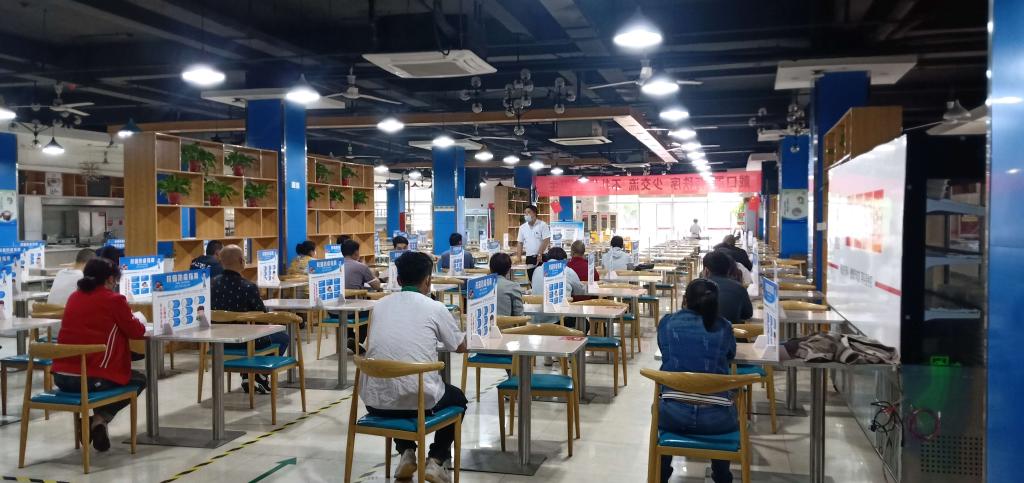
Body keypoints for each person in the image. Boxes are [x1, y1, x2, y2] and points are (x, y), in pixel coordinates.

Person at [362, 251, 467, 483]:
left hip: (374, 402)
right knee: (458, 399)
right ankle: (436, 460)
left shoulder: (379, 306)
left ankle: (407, 452)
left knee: (396, 389)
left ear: (398, 280)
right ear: (428, 280)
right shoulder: (435, 307)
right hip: (420, 404)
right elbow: (459, 346)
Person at [53, 258, 147, 452]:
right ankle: (98, 419)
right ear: (111, 279)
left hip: (61, 377)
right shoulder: (114, 300)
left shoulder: (74, 297)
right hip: (90, 379)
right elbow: (136, 331)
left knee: (102, 374)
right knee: (138, 380)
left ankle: (98, 424)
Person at [657, 278, 738, 483]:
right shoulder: (724, 327)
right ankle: (721, 476)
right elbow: (730, 354)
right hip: (717, 419)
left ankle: (660, 474)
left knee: (663, 405)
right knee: (726, 401)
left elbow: (665, 351)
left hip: (672, 415)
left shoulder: (667, 323)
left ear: (685, 300)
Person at [211, 245, 291, 394]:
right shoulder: (248, 286)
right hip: (247, 341)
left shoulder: (211, 284)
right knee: (282, 337)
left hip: (217, 342)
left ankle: (251, 376)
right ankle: (258, 374)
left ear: (221, 261)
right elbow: (262, 317)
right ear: (242, 261)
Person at [530, 247, 586, 325]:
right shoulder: (567, 270)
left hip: (536, 321)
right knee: (585, 323)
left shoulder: (537, 270)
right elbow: (580, 291)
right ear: (564, 260)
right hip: (559, 321)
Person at [702, 251, 753, 323]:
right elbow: (748, 314)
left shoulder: (696, 287)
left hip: (702, 329)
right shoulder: (739, 287)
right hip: (731, 329)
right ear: (728, 269)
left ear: (706, 270)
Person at [515, 205, 550, 281]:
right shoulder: (522, 227)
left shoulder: (543, 225)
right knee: (531, 279)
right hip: (529, 258)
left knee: (544, 279)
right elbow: (520, 243)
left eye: (528, 212)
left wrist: (540, 254)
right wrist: (519, 257)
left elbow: (546, 240)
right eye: (525, 213)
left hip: (542, 257)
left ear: (534, 213)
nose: (526, 214)